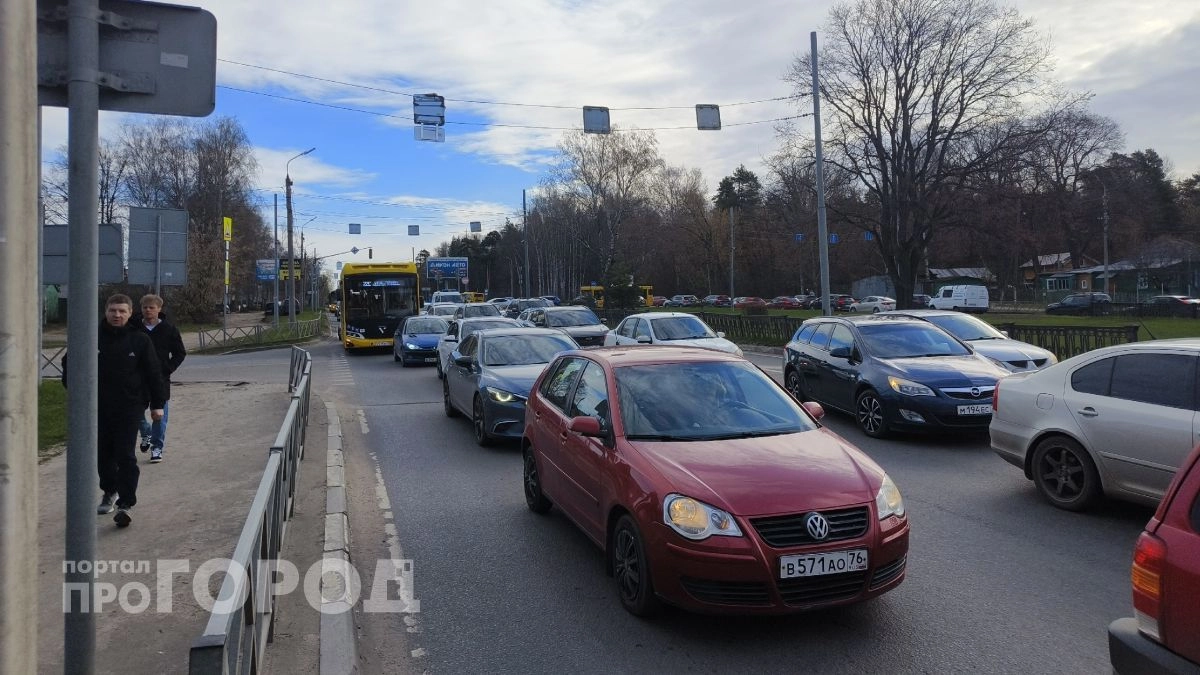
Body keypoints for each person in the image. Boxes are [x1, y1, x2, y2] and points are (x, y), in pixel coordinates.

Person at [61, 294, 166, 528]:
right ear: (105, 312)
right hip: (98, 407)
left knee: (125, 455)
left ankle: (125, 504)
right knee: (103, 454)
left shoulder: (139, 340)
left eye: (122, 311)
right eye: (112, 311)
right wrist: (75, 393)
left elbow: (153, 373)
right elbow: (70, 365)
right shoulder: (90, 337)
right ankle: (110, 491)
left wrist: (157, 405)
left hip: (129, 408)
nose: (117, 315)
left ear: (130, 313)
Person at [135, 294, 186, 463]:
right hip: (137, 378)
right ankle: (146, 432)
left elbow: (180, 353)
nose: (148, 310)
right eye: (145, 307)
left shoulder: (169, 329)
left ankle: (157, 447)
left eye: (151, 307)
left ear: (159, 309)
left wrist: (167, 369)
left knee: (159, 414)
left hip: (160, 379)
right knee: (135, 411)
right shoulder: (134, 328)